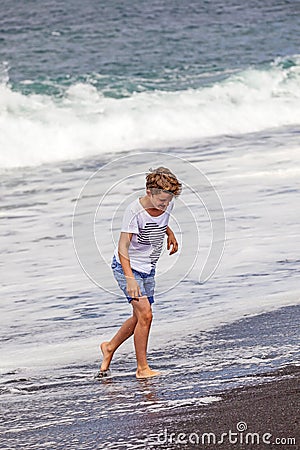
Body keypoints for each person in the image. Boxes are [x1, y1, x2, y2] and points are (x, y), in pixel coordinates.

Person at [98, 167, 182, 379]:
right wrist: (129, 279)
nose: (165, 205)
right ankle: (142, 369)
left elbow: (160, 221)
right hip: (127, 268)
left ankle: (109, 347)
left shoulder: (166, 203)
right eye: (161, 201)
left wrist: (169, 233)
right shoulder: (133, 211)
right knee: (146, 314)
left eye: (168, 202)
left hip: (148, 268)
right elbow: (123, 247)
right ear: (149, 192)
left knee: (139, 317)